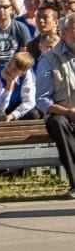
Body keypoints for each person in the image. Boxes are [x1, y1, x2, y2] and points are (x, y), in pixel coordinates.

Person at [36, 12, 75, 198]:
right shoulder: (49, 59)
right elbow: (43, 99)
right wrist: (67, 111)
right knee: (58, 123)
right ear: (64, 32)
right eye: (73, 30)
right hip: (62, 113)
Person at [0, 51, 40, 121]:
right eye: (9, 65)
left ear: (22, 73)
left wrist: (13, 115)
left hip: (13, 105)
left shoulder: (26, 75)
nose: (9, 69)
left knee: (34, 114)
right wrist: (9, 86)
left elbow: (29, 101)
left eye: (15, 69)